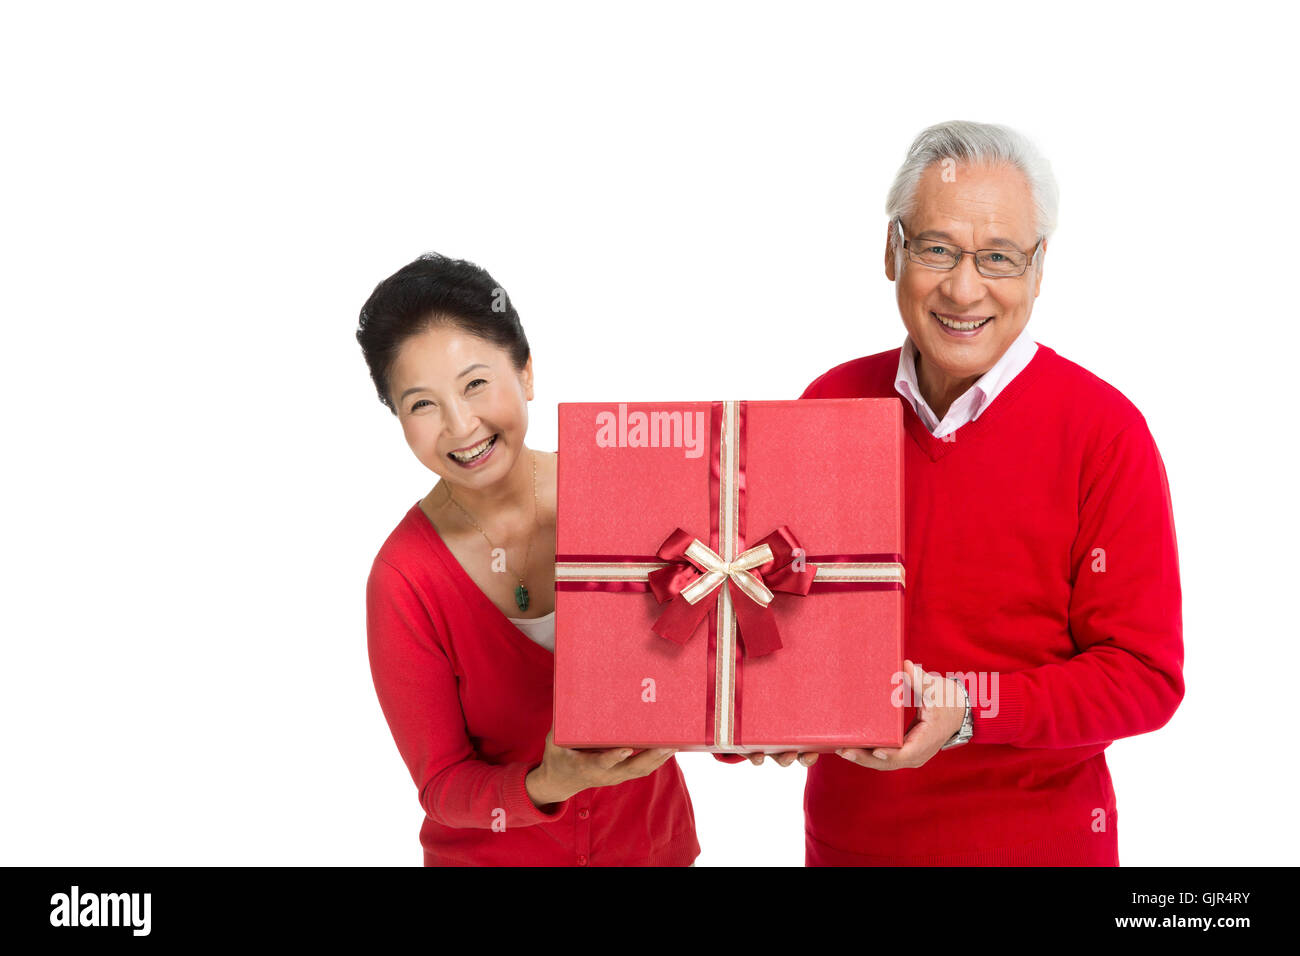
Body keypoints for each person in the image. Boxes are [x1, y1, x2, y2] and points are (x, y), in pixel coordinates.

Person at [789, 120, 1184, 864]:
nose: (963, 289)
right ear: (890, 252)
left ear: (1037, 270)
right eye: (936, 249)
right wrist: (749, 719)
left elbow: (1144, 677)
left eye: (997, 258)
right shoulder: (829, 406)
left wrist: (970, 709)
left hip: (1037, 848)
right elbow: (774, 617)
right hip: (852, 844)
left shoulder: (1105, 433)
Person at [357, 253, 699, 866]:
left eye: (476, 384)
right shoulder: (404, 578)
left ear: (527, 374)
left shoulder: (623, 496)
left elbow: (700, 668)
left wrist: (762, 729)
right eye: (422, 404)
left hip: (652, 852)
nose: (461, 426)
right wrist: (547, 784)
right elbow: (442, 785)